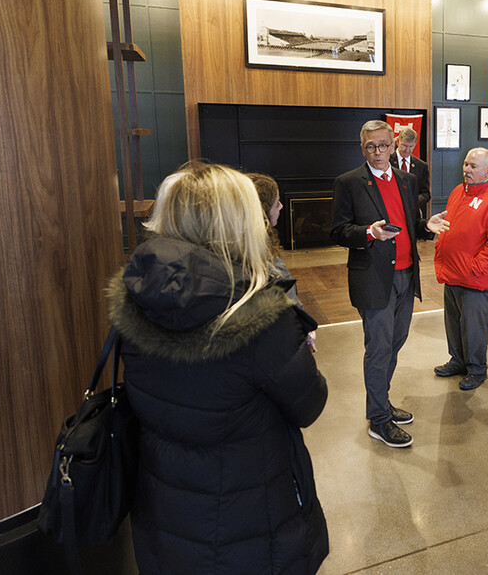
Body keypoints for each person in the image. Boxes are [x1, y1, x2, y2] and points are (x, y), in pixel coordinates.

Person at [107, 160, 329, 574]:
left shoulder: (137, 293)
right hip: (250, 520)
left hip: (164, 510)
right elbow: (310, 404)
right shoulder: (259, 312)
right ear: (238, 221)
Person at [330, 119, 449, 448]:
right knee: (379, 349)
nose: (378, 152)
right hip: (373, 279)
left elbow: (409, 223)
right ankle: (378, 419)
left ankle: (381, 401)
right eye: (370, 146)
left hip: (407, 275)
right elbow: (338, 230)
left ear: (394, 146)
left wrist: (426, 226)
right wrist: (368, 232)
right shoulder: (349, 182)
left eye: (383, 145)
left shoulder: (407, 180)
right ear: (362, 148)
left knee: (394, 344)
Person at [433, 147, 488, 390]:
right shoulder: (459, 191)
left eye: (472, 166)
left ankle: (477, 370)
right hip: (452, 273)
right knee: (454, 322)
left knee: (474, 329)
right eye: (466, 164)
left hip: (475, 279)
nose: (466, 169)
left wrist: (473, 268)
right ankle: (457, 361)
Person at [389, 126, 432, 219]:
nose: (407, 150)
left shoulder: (421, 166)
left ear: (415, 144)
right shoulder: (387, 161)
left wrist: (413, 202)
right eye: (404, 145)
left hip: (412, 215)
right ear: (397, 142)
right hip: (391, 211)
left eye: (411, 146)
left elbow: (426, 194)